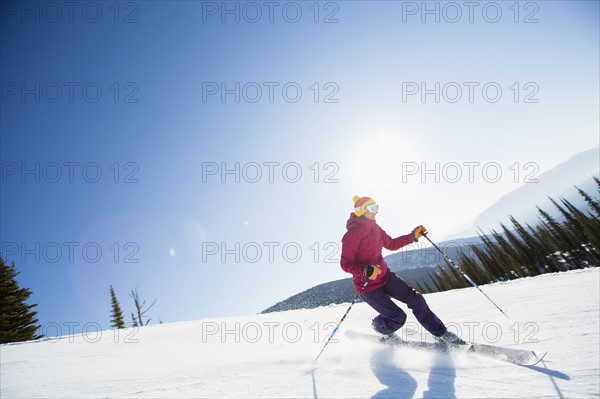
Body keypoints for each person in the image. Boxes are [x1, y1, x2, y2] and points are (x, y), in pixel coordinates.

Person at [340, 195, 464, 344]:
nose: (376, 212)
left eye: (377, 207)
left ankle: (441, 333)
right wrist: (365, 270)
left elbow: (391, 244)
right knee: (398, 317)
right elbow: (345, 264)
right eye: (372, 208)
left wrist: (412, 236)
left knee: (416, 300)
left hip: (385, 277)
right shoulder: (352, 235)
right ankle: (380, 327)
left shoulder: (376, 228)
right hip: (368, 286)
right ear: (361, 211)